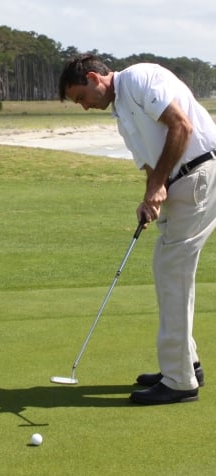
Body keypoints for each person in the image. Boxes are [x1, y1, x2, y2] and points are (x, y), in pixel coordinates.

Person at [59, 53, 216, 405]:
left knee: (172, 271)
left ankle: (180, 381)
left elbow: (181, 127)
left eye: (81, 98)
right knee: (166, 271)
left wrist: (159, 184)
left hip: (199, 175)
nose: (83, 107)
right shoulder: (120, 112)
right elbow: (149, 163)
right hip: (180, 183)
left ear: (94, 78)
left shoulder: (140, 78)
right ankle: (184, 363)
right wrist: (150, 198)